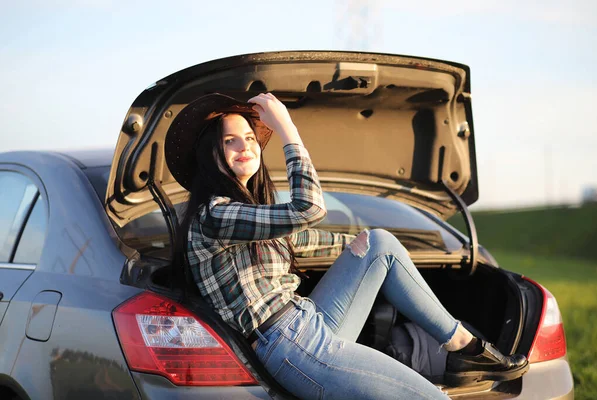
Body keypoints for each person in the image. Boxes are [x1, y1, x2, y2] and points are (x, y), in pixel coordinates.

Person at [166, 92, 529, 400]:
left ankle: (463, 346)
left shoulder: (249, 215)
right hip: (291, 345)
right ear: (209, 153)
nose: (244, 146)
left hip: (308, 324)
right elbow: (309, 209)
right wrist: (288, 129)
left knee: (379, 244)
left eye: (249, 138)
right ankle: (464, 349)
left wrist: (353, 244)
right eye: (230, 140)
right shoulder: (215, 215)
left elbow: (304, 237)